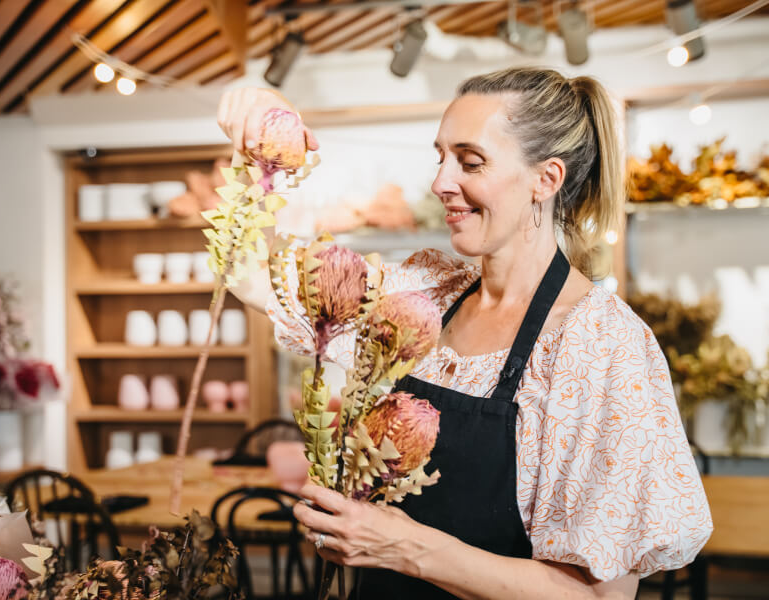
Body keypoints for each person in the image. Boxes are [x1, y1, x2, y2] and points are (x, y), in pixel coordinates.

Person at [217, 67, 712, 599]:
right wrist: (263, 137)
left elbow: (599, 597)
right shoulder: (424, 292)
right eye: (441, 157)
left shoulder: (600, 347)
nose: (440, 183)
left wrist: (408, 549)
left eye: (470, 162)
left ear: (545, 180)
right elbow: (249, 276)